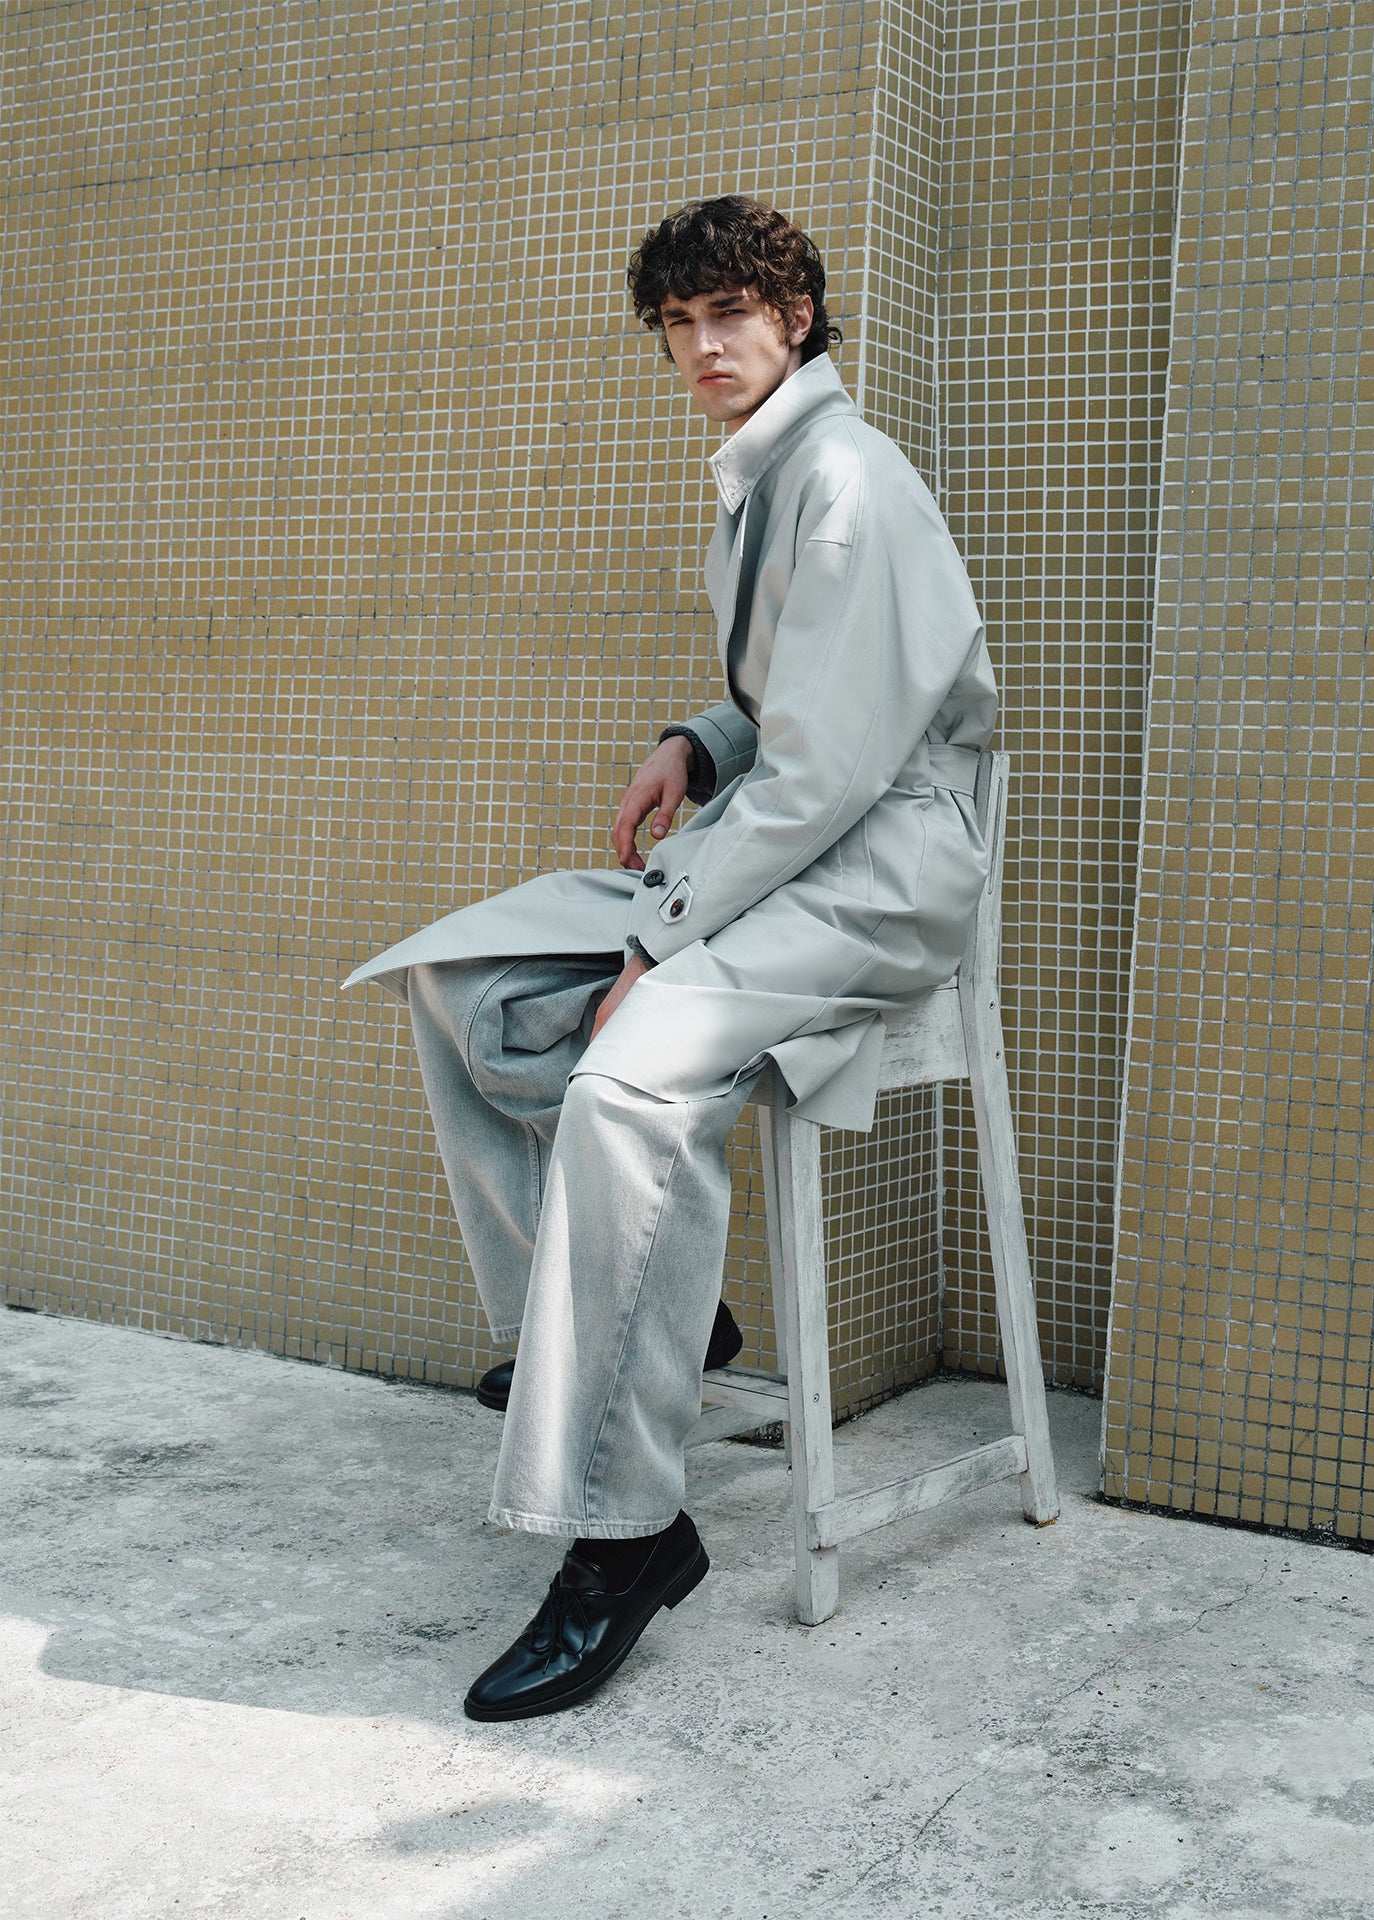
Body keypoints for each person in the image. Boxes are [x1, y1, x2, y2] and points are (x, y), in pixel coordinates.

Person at [344, 196, 997, 1720]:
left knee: (629, 1077)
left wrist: (660, 936)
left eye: (731, 315)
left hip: (877, 875)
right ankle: (658, 1327)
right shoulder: (773, 472)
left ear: (798, 319)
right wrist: (698, 741)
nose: (703, 346)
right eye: (679, 323)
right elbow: (800, 701)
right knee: (470, 980)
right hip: (793, 843)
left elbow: (831, 770)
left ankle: (624, 1531)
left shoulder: (844, 480)